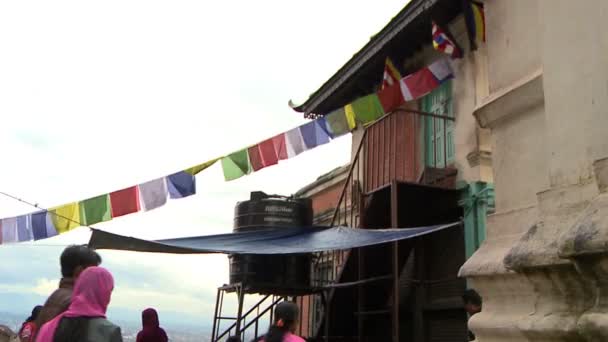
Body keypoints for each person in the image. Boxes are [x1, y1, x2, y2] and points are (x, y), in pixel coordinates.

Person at [36, 266, 122, 342]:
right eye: (109, 292)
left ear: (79, 288)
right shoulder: (109, 332)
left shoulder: (48, 328)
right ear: (104, 294)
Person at [35, 244, 102, 336]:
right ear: (79, 272)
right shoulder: (75, 303)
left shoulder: (56, 295)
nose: (97, 277)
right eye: (93, 272)